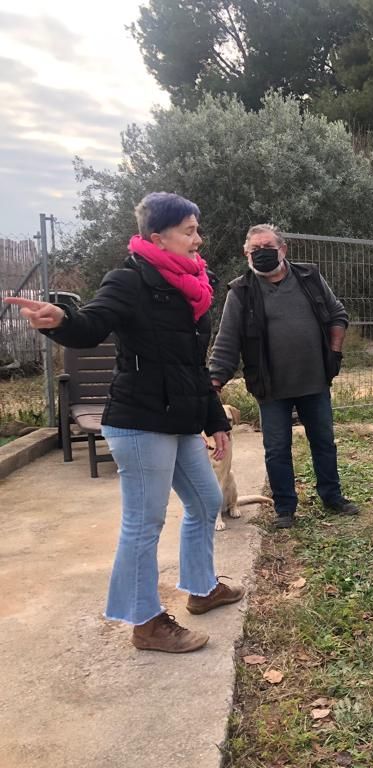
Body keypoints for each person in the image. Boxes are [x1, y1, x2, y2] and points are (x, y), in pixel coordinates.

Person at [4, 192, 243, 654]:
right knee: (144, 521)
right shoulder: (129, 279)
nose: (199, 239)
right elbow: (92, 324)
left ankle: (201, 586)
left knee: (206, 499)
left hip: (179, 416)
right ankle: (145, 621)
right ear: (158, 236)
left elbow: (194, 364)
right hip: (139, 421)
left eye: (197, 229)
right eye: (189, 231)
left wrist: (215, 419)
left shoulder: (195, 284)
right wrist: (60, 321)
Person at [209, 224, 356, 530]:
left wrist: (334, 355)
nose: (261, 254)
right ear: (246, 254)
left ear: (283, 249)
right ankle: (285, 508)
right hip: (270, 387)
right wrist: (213, 383)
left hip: (314, 380)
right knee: (277, 449)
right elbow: (227, 343)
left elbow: (338, 314)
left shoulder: (309, 278)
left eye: (268, 248)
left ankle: (332, 497)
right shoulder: (241, 291)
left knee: (324, 442)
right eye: (255, 250)